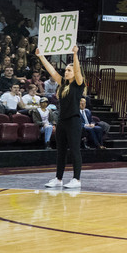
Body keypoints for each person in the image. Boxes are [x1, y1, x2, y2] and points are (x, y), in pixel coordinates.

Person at [37, 46, 86, 190]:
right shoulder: (63, 84)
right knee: (61, 151)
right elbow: (52, 71)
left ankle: (76, 179)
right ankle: (58, 179)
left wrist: (75, 54)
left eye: (69, 70)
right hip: (62, 121)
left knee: (75, 150)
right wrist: (41, 56)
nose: (66, 72)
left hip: (74, 121)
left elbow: (77, 71)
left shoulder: (78, 84)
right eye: (66, 70)